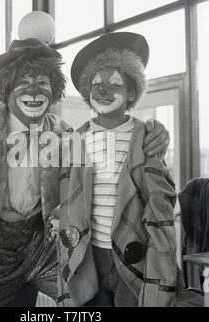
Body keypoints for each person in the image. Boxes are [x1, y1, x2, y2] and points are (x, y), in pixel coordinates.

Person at [0, 30, 170, 306]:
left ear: (55, 89)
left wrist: (154, 134)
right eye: (23, 82)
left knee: (87, 298)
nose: (33, 90)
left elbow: (105, 142)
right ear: (7, 88)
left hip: (37, 252)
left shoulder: (65, 136)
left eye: (42, 82)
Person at [57, 32, 182, 307]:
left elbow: (159, 203)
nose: (103, 90)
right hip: (89, 257)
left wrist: (162, 260)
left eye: (114, 83)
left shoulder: (145, 137)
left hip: (134, 257)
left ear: (132, 92)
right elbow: (67, 201)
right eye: (96, 83)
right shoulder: (76, 140)